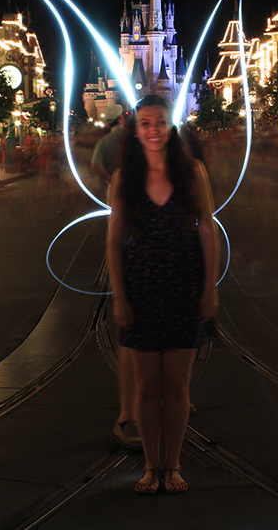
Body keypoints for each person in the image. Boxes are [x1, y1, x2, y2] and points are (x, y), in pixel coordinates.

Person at [107, 94, 219, 494]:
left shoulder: (192, 172)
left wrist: (210, 288)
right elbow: (114, 241)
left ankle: (173, 464)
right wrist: (119, 296)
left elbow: (208, 231)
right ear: (135, 129)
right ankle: (151, 466)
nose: (153, 130)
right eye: (145, 123)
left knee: (178, 385)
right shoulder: (125, 178)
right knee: (144, 386)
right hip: (140, 287)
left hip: (183, 284)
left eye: (160, 122)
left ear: (172, 126)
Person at [90, 104, 140, 450]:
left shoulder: (181, 170)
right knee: (134, 343)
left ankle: (144, 408)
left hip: (169, 271)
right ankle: (129, 415)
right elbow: (114, 241)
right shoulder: (128, 176)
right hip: (139, 267)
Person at [91, 104, 126, 183]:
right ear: (121, 118)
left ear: (107, 124)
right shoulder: (133, 136)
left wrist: (111, 180)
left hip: (115, 186)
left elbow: (95, 165)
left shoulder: (104, 142)